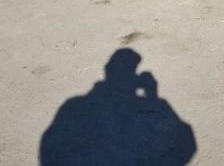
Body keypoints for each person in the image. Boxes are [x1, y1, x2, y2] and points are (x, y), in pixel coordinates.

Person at [40, 48, 196, 165]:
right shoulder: (74, 106)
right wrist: (152, 95)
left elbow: (49, 149)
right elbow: (187, 143)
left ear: (107, 69)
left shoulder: (73, 106)